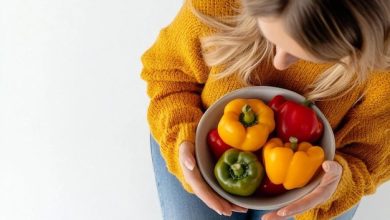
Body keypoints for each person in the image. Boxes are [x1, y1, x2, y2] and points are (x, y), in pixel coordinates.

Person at [141, 0, 390, 219]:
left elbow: (368, 160)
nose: (279, 63)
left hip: (306, 173)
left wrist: (336, 186)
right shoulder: (218, 2)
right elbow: (170, 76)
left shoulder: (383, 74)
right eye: (270, 37)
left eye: (302, 54)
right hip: (200, 141)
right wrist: (179, 139)